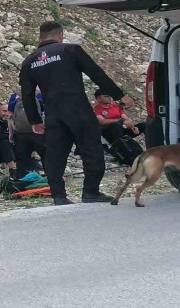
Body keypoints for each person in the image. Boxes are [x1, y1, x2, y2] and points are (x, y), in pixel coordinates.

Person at [19, 21, 135, 205]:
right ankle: (90, 191)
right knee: (91, 150)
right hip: (78, 110)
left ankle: (59, 196)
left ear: (40, 37)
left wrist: (34, 120)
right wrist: (120, 96)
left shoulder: (30, 61)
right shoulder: (70, 50)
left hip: (54, 115)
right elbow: (96, 73)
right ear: (61, 35)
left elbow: (27, 94)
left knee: (55, 155)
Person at [9, 87, 47, 178]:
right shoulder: (40, 94)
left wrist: (11, 134)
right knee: (46, 155)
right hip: (38, 132)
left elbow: (10, 116)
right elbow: (45, 114)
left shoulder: (15, 96)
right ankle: (50, 178)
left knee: (22, 159)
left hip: (20, 133)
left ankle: (22, 180)